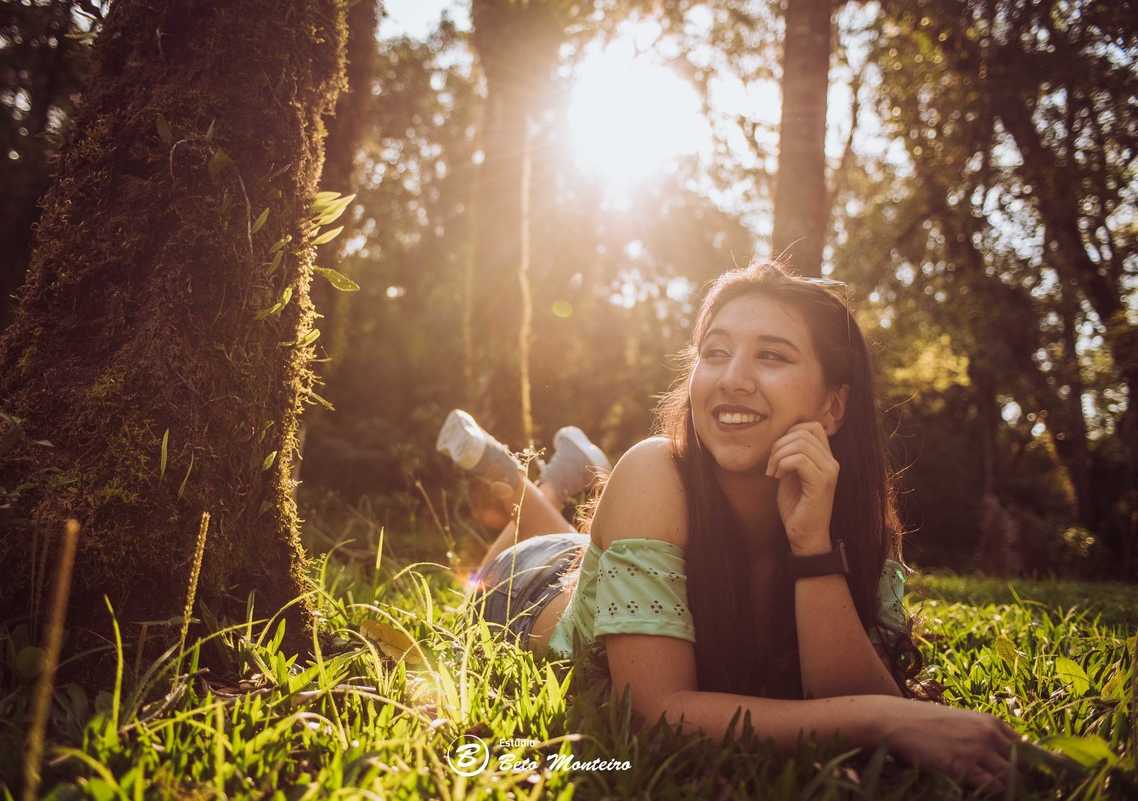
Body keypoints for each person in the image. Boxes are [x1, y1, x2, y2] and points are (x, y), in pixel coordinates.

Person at [437, 262, 1021, 791]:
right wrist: (883, 720)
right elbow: (656, 712)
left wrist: (812, 546)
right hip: (526, 585)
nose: (732, 378)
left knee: (591, 542)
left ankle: (562, 474)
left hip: (614, 563)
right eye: (714, 353)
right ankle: (520, 474)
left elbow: (843, 687)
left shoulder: (848, 509)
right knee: (555, 541)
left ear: (833, 407)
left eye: (772, 356)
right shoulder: (654, 468)